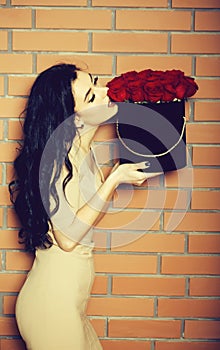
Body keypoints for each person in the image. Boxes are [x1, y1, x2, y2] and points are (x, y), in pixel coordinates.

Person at [9, 63, 159, 350]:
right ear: (74, 120)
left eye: (97, 83)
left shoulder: (83, 152)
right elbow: (67, 238)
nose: (105, 92)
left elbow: (84, 214)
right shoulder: (54, 161)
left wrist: (126, 168)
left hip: (69, 304)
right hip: (51, 307)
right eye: (91, 97)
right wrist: (113, 180)